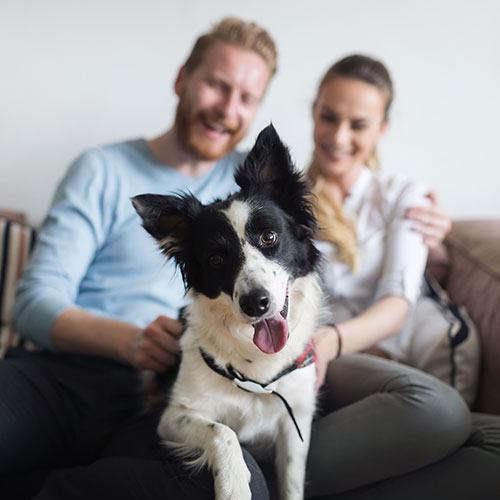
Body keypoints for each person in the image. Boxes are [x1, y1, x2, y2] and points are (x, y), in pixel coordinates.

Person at [0, 17, 463, 500]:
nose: (228, 108)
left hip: (167, 397)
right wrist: (131, 342)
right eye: (218, 86)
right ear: (183, 80)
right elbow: (33, 301)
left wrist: (434, 232)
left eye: (247, 98)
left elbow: (319, 194)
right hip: (65, 375)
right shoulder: (103, 169)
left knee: (239, 487)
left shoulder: (253, 186)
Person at [304, 54, 500, 499]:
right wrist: (330, 346)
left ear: (382, 128)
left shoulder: (402, 196)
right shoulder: (283, 200)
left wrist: (336, 339)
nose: (338, 137)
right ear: (313, 110)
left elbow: (397, 304)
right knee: (441, 418)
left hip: (354, 350)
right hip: (326, 362)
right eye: (329, 117)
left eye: (358, 124)